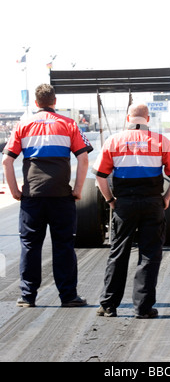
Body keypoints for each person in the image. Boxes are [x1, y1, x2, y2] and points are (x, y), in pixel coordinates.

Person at [2, 83, 93, 307]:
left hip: (32, 196)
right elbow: (83, 158)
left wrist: (14, 190)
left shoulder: (23, 125)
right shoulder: (69, 124)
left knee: (30, 246)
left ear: (36, 103)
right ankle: (68, 296)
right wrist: (78, 189)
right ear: (55, 102)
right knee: (63, 245)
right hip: (61, 195)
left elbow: (7, 160)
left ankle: (27, 296)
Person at [93, 103, 170, 318]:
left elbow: (100, 175)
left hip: (124, 204)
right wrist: (166, 197)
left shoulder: (114, 141)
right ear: (148, 118)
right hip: (152, 202)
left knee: (118, 253)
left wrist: (110, 200)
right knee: (149, 255)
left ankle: (108, 305)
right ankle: (143, 308)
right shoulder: (161, 141)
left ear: (128, 118)